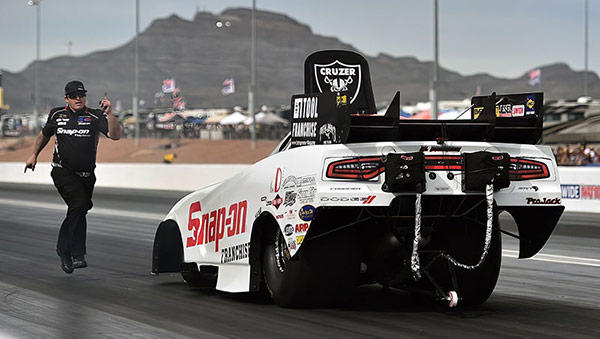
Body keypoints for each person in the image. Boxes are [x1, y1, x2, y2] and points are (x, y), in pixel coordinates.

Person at [24, 80, 122, 274]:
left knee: (80, 209)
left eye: (81, 95)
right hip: (63, 171)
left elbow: (115, 135)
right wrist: (34, 154)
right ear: (66, 98)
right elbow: (44, 135)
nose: (78, 99)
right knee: (78, 205)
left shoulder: (95, 115)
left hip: (87, 175)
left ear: (85, 96)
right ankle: (69, 251)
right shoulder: (56, 114)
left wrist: (110, 114)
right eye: (74, 96)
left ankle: (74, 253)